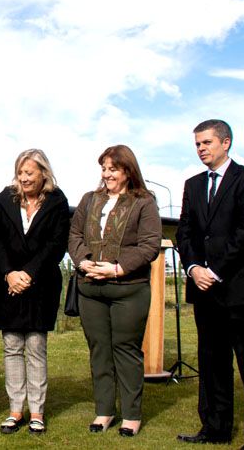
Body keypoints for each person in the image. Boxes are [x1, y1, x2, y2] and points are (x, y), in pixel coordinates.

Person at [176, 119, 244, 449]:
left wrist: (214, 270)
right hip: (204, 292)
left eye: (206, 142)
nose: (201, 149)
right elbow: (185, 233)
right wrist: (192, 267)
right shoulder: (192, 185)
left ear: (226, 142)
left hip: (241, 289)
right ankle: (215, 428)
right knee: (212, 362)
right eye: (197, 144)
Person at [68, 145, 161, 438]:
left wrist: (117, 268)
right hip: (90, 288)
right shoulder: (89, 199)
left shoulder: (145, 202)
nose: (107, 174)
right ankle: (104, 411)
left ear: (128, 171)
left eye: (113, 168)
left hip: (128, 289)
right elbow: (74, 234)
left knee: (126, 351)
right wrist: (83, 262)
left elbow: (150, 245)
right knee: (99, 351)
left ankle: (131, 415)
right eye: (104, 168)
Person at [0, 149, 69, 435]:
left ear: (43, 173)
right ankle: (15, 411)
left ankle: (37, 412)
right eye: (20, 173)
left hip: (41, 285)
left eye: (29, 173)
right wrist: (10, 274)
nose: (23, 178)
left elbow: (56, 244)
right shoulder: (3, 199)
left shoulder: (57, 201)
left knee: (35, 347)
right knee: (11, 348)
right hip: (6, 285)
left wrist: (29, 274)